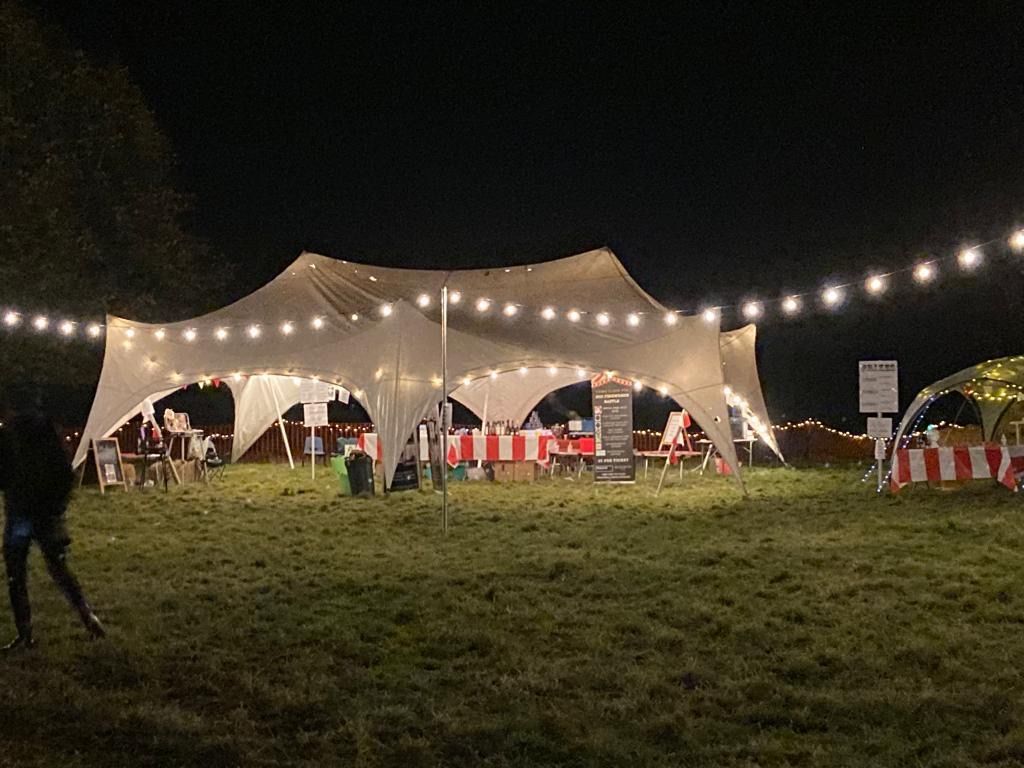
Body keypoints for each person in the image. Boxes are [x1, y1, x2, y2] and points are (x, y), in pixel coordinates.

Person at [0, 389, 105, 651]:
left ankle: (25, 634)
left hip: (21, 512)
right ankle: (87, 616)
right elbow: (65, 474)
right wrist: (58, 506)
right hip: (47, 513)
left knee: (16, 575)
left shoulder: (9, 435)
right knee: (59, 569)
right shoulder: (48, 432)